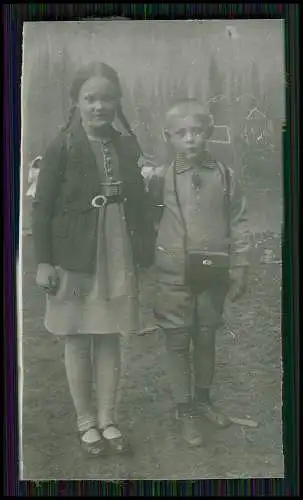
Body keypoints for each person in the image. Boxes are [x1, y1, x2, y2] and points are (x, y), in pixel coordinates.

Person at [32, 61, 154, 458]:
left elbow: (139, 204)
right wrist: (44, 261)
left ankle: (108, 417)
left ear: (118, 102)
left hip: (116, 249)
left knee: (108, 333)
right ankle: (85, 421)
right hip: (74, 253)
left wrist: (143, 250)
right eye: (91, 99)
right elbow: (43, 207)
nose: (99, 106)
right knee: (78, 336)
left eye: (107, 98)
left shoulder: (126, 144)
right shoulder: (61, 145)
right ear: (77, 102)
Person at [149, 98, 250, 447]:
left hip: (212, 272)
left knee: (206, 335)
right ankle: (184, 408)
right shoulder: (160, 178)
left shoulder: (223, 175)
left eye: (197, 131)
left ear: (207, 132)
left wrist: (239, 266)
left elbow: (237, 221)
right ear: (169, 137)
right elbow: (149, 221)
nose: (190, 139)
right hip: (173, 274)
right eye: (181, 133)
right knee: (177, 339)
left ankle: (204, 400)